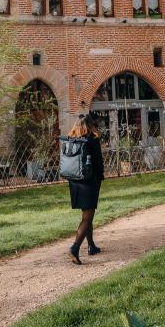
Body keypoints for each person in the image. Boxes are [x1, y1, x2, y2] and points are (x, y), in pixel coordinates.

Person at [67, 113, 105, 265]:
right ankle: (74, 248)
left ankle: (91, 245)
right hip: (90, 181)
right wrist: (101, 176)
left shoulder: (71, 140)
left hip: (75, 181)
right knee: (87, 217)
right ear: (90, 125)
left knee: (87, 214)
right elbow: (98, 162)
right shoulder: (92, 140)